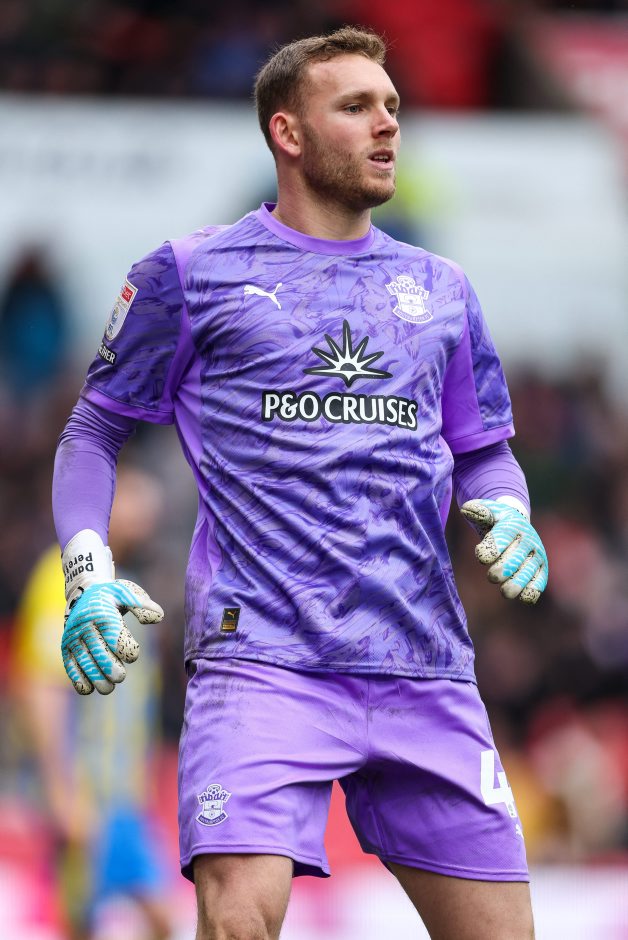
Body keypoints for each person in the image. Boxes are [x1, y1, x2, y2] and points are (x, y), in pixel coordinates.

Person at [52, 26, 548, 940]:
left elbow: (484, 451)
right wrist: (87, 570)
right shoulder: (190, 274)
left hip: (423, 664)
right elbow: (95, 429)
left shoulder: (442, 288)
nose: (387, 124)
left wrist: (511, 510)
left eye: (391, 106)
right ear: (288, 131)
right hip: (262, 665)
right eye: (356, 107)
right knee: (239, 924)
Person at [15, 465, 173, 940]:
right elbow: (41, 687)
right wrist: (61, 792)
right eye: (133, 497)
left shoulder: (127, 583)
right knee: (85, 921)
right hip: (85, 794)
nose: (148, 510)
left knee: (157, 917)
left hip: (124, 797)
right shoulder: (60, 578)